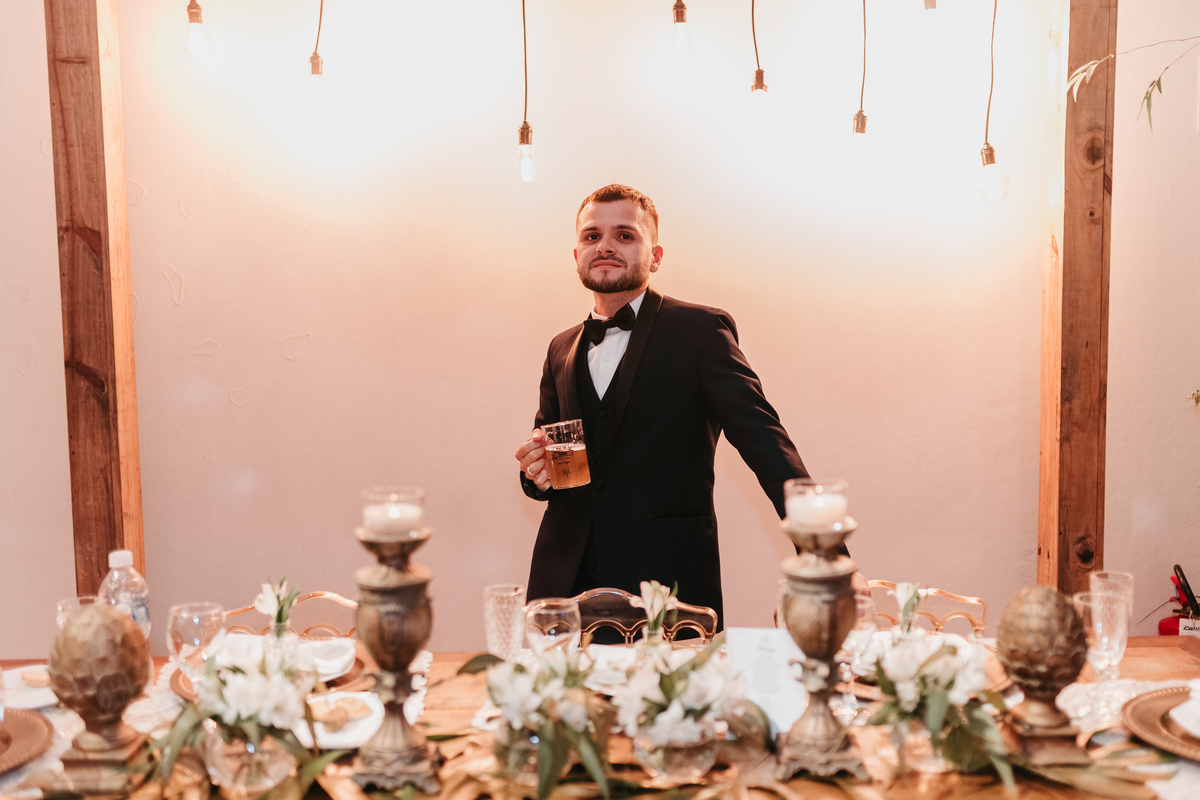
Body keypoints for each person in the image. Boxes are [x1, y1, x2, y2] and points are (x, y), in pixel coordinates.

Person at [514, 184, 810, 627]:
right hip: (564, 585)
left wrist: (825, 554)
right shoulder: (561, 348)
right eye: (592, 236)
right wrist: (535, 474)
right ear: (577, 255)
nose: (605, 246)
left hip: (667, 583)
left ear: (655, 257)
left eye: (625, 235)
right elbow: (556, 463)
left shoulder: (701, 332)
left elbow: (767, 444)